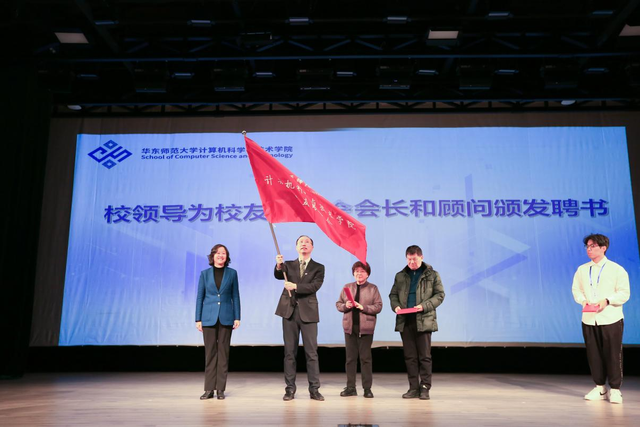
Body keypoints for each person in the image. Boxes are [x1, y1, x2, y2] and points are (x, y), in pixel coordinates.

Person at [571, 234, 630, 404]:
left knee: (613, 354)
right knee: (594, 354)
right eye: (587, 246)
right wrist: (583, 301)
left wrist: (607, 300)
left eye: (593, 246)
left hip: (611, 317)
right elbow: (576, 289)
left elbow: (624, 293)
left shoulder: (616, 269)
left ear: (603, 248)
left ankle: (615, 390)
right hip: (589, 318)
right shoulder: (582, 269)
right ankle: (600, 388)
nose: (589, 249)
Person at [389, 245, 445, 400]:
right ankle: (413, 387)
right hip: (405, 320)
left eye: (414, 259)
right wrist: (396, 306)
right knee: (410, 356)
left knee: (424, 356)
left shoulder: (432, 274)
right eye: (409, 259)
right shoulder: (400, 275)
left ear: (421, 257)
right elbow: (393, 295)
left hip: (424, 319)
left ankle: (425, 387)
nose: (411, 262)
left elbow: (440, 295)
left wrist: (424, 306)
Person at [274, 235, 325, 401]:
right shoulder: (288, 265)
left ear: (312, 247)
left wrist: (295, 286)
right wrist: (279, 265)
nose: (304, 244)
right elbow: (278, 275)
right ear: (296, 247)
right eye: (301, 242)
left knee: (312, 353)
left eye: (307, 242)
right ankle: (289, 389)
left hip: (309, 313)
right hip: (289, 312)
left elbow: (314, 286)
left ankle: (314, 389)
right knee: (289, 353)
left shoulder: (319, 267)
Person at [195, 244, 241, 400]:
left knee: (223, 353)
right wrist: (198, 319)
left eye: (224, 253)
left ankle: (220, 389)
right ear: (213, 255)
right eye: (218, 253)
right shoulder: (205, 274)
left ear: (227, 257)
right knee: (210, 354)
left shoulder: (232, 273)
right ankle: (209, 389)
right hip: (208, 318)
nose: (221, 255)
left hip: (226, 317)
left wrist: (237, 317)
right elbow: (200, 297)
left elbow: (235, 296)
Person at [336, 261, 383, 398]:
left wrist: (363, 307)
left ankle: (367, 389)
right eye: (356, 271)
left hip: (366, 328)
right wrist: (345, 305)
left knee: (365, 359)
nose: (359, 274)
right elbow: (338, 304)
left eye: (362, 271)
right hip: (349, 328)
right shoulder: (347, 287)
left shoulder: (373, 288)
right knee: (350, 359)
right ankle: (350, 387)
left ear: (367, 274)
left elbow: (378, 306)